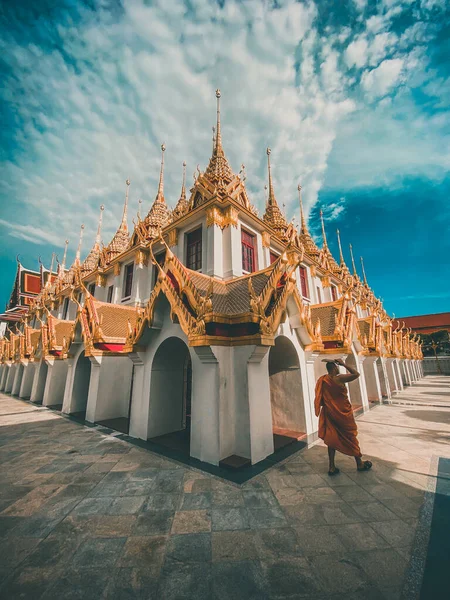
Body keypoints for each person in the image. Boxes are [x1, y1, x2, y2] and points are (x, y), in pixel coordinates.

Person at [314, 358, 372, 476]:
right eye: (337, 367)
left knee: (331, 439)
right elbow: (356, 374)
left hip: (330, 413)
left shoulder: (323, 380)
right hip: (343, 414)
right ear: (335, 368)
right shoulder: (339, 378)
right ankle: (359, 464)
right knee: (350, 436)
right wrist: (344, 363)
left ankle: (331, 467)